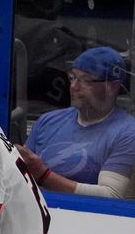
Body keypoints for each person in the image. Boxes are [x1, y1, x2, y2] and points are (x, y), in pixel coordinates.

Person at [17, 47, 135, 198]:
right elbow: (21, 172)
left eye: (85, 80)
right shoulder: (48, 120)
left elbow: (111, 195)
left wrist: (45, 177)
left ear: (112, 86)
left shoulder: (127, 132)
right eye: (72, 77)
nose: (74, 86)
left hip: (87, 218)